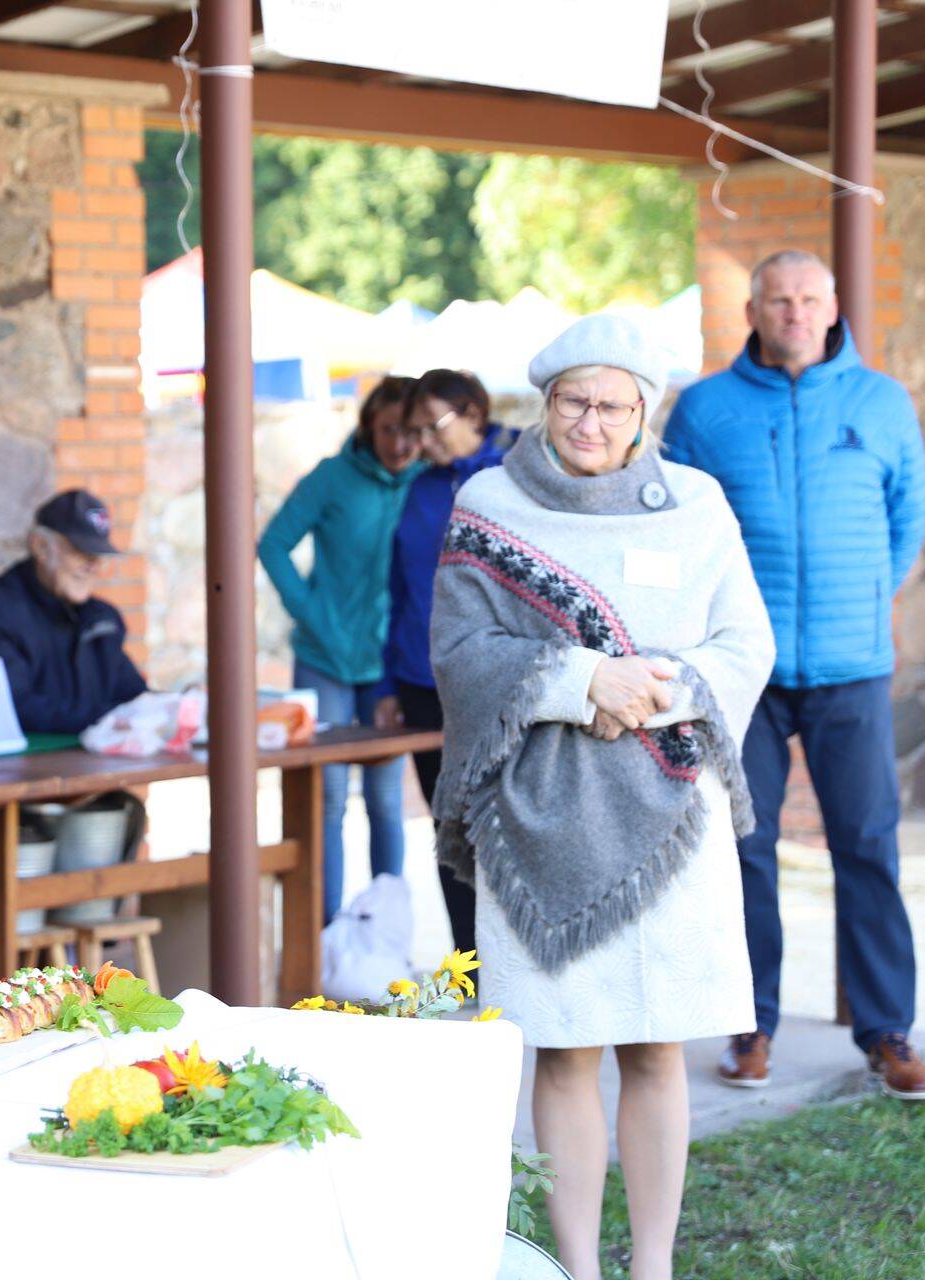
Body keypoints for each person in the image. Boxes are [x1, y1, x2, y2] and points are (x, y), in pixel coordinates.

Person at [431, 315, 775, 1280]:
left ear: (645, 412)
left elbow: (746, 646)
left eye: (613, 405)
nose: (591, 421)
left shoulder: (696, 503)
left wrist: (653, 689)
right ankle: (582, 1268)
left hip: (673, 811)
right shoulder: (488, 503)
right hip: (535, 820)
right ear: (544, 403)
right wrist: (580, 681)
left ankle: (652, 1265)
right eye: (574, 400)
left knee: (660, 1050)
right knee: (568, 1053)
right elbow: (461, 654)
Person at [663, 249, 925, 1101]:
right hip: (744, 670)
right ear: (752, 308)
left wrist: (860, 598)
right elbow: (679, 527)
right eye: (778, 299)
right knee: (745, 847)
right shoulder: (705, 409)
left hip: (853, 668)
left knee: (867, 844)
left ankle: (887, 1030)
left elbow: (908, 520)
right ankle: (751, 1026)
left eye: (808, 299)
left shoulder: (882, 403)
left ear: (832, 306)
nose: (794, 312)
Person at [259, 375, 424, 923]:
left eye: (412, 432)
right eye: (389, 430)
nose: (401, 445)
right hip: (324, 659)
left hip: (388, 664)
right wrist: (311, 612)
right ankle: (322, 937)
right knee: (326, 801)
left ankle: (385, 933)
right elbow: (274, 543)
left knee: (385, 799)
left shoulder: (426, 482)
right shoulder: (332, 478)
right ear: (368, 427)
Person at [374, 369, 517, 956]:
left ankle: (517, 964)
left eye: (431, 428)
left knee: (505, 829)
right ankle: (471, 970)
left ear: (474, 413)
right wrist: (387, 681)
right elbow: (398, 589)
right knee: (448, 830)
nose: (421, 445)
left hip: (495, 682)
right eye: (414, 431)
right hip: (420, 682)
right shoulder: (420, 488)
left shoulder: (517, 475)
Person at [0, 489, 148, 735]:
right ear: (41, 547)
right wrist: (110, 717)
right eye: (81, 551)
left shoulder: (102, 617)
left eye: (98, 555)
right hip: (25, 770)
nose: (91, 566)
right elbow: (13, 709)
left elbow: (131, 693)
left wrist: (176, 704)